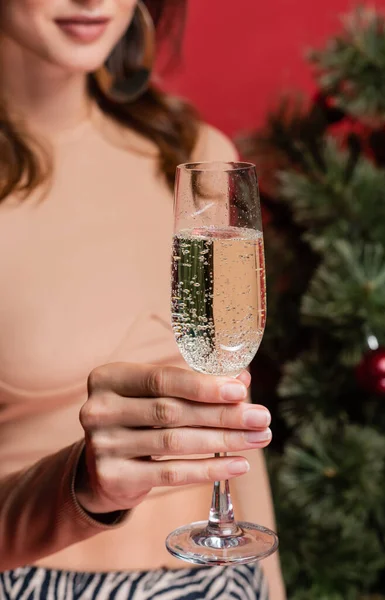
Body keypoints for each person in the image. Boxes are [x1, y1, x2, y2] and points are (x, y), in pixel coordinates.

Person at [0, 1, 286, 598]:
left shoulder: (196, 156)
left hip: (224, 580)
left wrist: (267, 586)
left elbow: (236, 423)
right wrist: (76, 487)